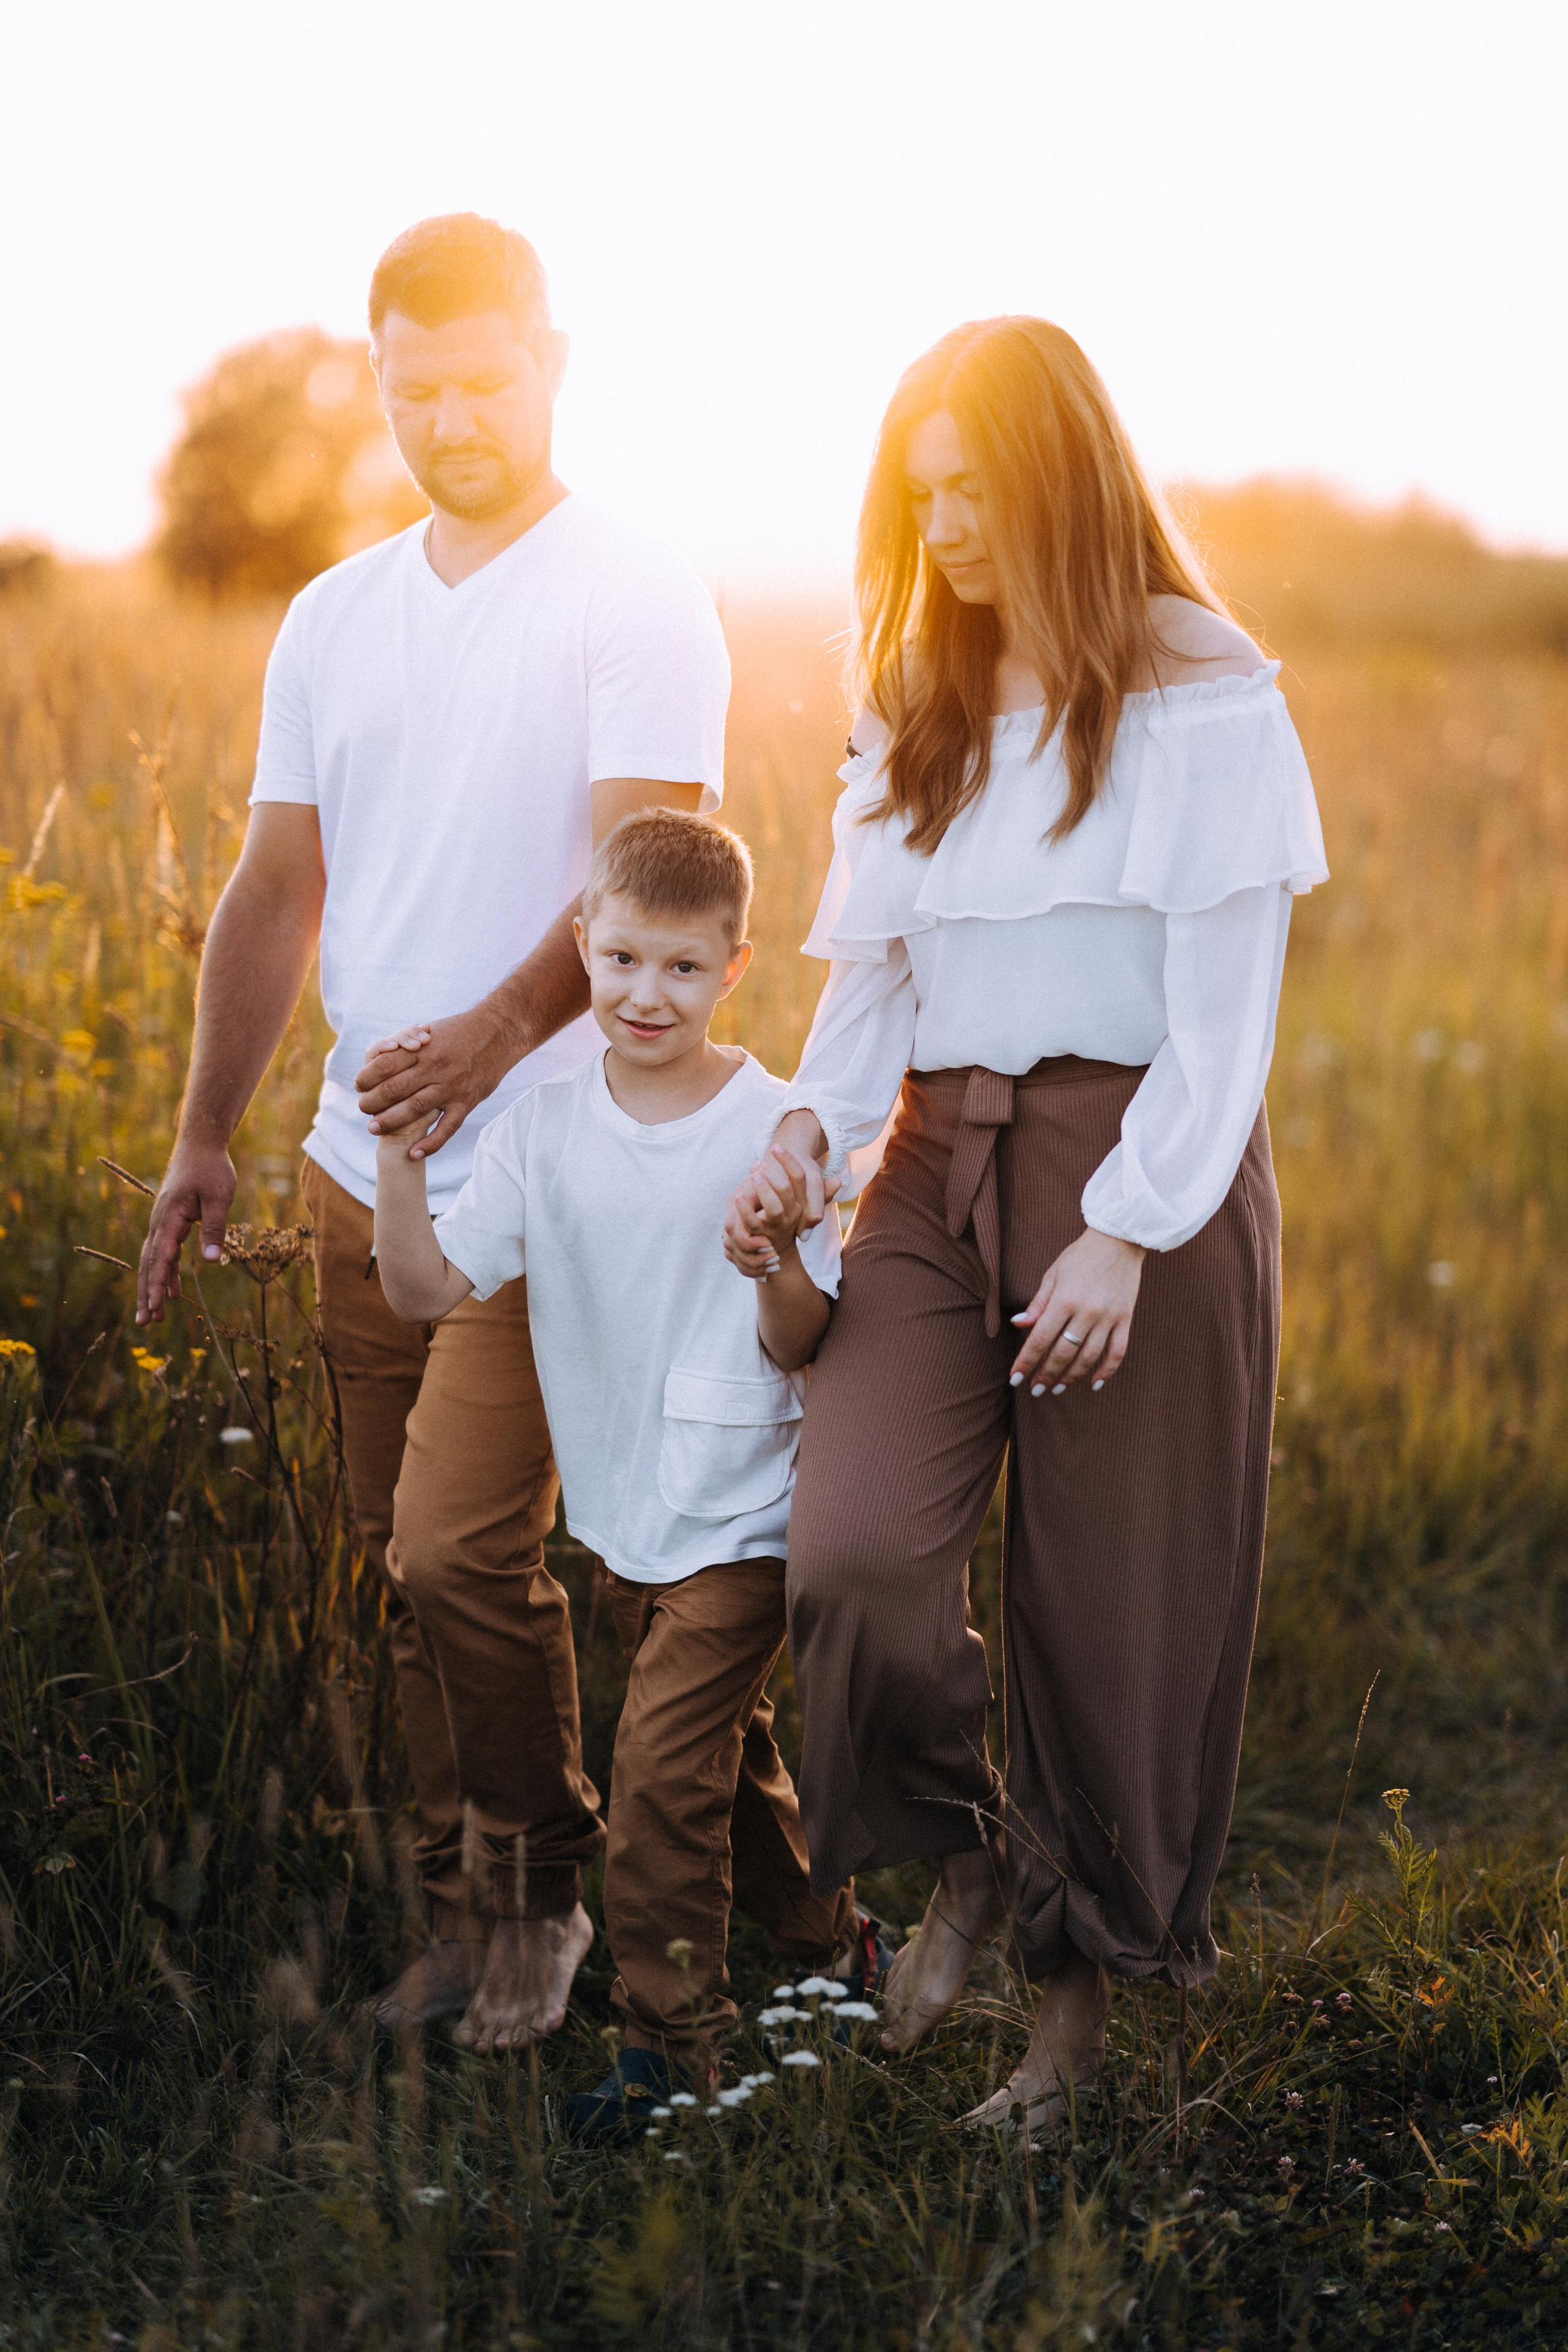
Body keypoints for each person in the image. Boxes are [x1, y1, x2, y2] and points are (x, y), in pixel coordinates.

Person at [135, 213, 731, 2051]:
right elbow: (271, 884)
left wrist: (486, 1039)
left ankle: (557, 1909)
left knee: (465, 1553)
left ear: (549, 359)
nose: (454, 416)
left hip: (556, 1162)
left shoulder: (635, 591)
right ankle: (480, 1912)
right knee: (403, 1553)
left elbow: (643, 871)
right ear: (378, 377)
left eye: (487, 378)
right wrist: (206, 1135)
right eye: (417, 386)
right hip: (351, 1164)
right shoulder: (338, 613)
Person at [725, 317, 1327, 2130]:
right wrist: (804, 1159)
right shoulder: (913, 686)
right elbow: (869, 987)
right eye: (925, 498)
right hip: (928, 1163)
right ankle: (972, 1851)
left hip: (1138, 1161)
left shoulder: (1205, 685)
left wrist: (1131, 1227)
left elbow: (1228, 1020)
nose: (953, 528)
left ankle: (1074, 2019)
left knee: (1108, 1607)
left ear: (1062, 478)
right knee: (853, 1562)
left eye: (978, 488)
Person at [372, 810, 872, 2136]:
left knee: (656, 1779)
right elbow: (426, 1290)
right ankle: (839, 1934)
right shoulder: (541, 1129)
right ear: (583, 946)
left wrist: (772, 1259)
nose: (648, 996)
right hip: (622, 1514)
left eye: (685, 969)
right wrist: (397, 1165)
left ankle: (670, 2047)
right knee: (727, 1763)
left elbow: (808, 1337)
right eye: (625, 961)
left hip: (744, 1516)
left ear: (735, 968)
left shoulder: (777, 1130)